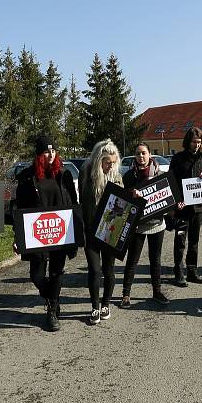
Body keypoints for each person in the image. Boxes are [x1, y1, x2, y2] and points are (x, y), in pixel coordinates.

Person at [14, 136, 78, 330]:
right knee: (37, 275)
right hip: (37, 235)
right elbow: (19, 210)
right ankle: (52, 296)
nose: (50, 155)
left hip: (61, 233)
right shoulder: (27, 177)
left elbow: (73, 204)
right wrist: (18, 237)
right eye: (46, 152)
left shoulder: (64, 174)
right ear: (38, 154)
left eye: (53, 151)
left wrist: (77, 231)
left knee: (57, 271)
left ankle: (52, 310)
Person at [79, 139, 123, 324]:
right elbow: (81, 202)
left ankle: (106, 305)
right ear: (98, 160)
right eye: (107, 162)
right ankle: (94, 307)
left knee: (109, 270)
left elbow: (122, 204)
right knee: (95, 271)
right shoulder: (85, 174)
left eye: (113, 162)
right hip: (90, 231)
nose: (110, 166)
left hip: (109, 230)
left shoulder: (117, 176)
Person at [121, 142, 169, 306]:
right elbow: (124, 201)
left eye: (143, 153)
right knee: (132, 260)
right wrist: (131, 194)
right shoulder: (128, 177)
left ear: (149, 155)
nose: (140, 157)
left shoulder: (160, 175)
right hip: (137, 225)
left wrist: (176, 205)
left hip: (157, 224)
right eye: (137, 154)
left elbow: (168, 198)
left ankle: (157, 292)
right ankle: (126, 295)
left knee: (155, 259)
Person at [169, 127, 202, 286]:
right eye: (194, 142)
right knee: (180, 241)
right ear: (188, 142)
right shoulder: (178, 158)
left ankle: (192, 271)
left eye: (199, 142)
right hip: (181, 209)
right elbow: (171, 181)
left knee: (194, 241)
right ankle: (178, 272)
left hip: (197, 209)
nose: (197, 145)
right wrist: (175, 202)